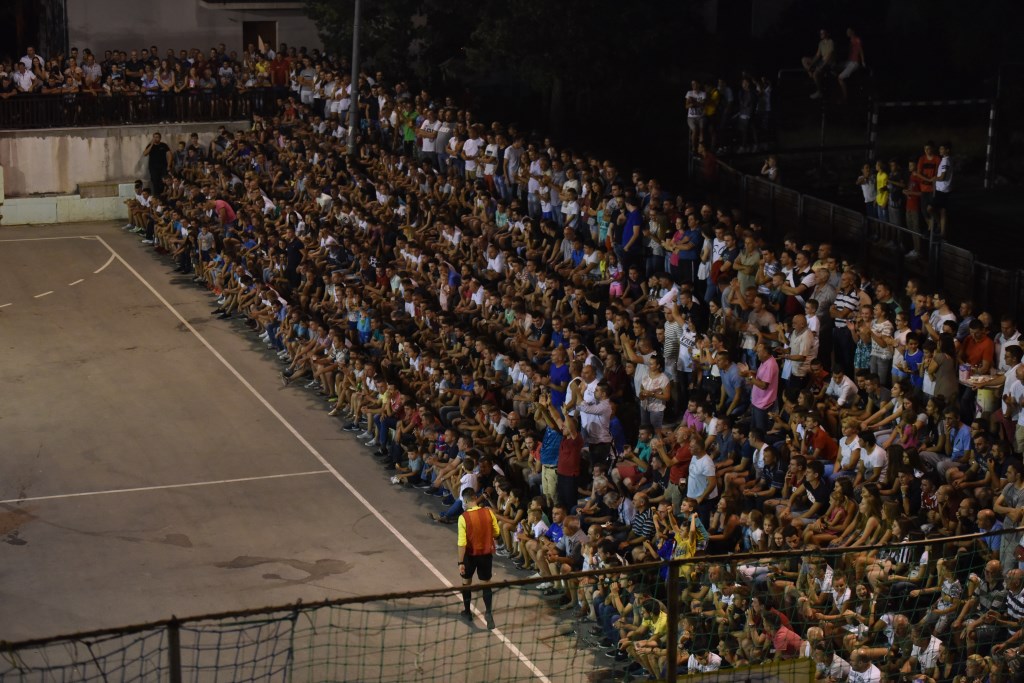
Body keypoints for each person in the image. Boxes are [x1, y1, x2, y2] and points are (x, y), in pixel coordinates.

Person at [457, 486, 500, 630]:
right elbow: (496, 532)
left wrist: (460, 562)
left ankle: (467, 612)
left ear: (465, 500)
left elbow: (462, 543)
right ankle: (488, 613)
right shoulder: (488, 512)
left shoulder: (463, 517)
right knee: (486, 584)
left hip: (470, 555)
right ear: (475, 497)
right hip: (486, 554)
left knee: (466, 583)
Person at [803, 29, 835, 99]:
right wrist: (811, 63)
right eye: (820, 33)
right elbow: (818, 55)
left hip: (829, 62)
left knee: (816, 73)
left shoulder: (831, 41)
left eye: (823, 33)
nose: (821, 35)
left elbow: (830, 55)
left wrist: (822, 65)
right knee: (804, 60)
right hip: (822, 61)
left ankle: (819, 92)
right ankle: (811, 75)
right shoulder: (820, 43)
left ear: (827, 34)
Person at [144, 132, 172, 196]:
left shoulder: (164, 145)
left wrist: (169, 165)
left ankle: (164, 195)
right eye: (154, 137)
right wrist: (151, 144)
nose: (156, 138)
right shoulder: (150, 145)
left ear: (160, 138)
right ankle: (157, 197)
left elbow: (169, 155)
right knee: (155, 182)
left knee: (164, 182)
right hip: (153, 168)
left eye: (157, 137)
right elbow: (145, 154)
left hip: (163, 167)